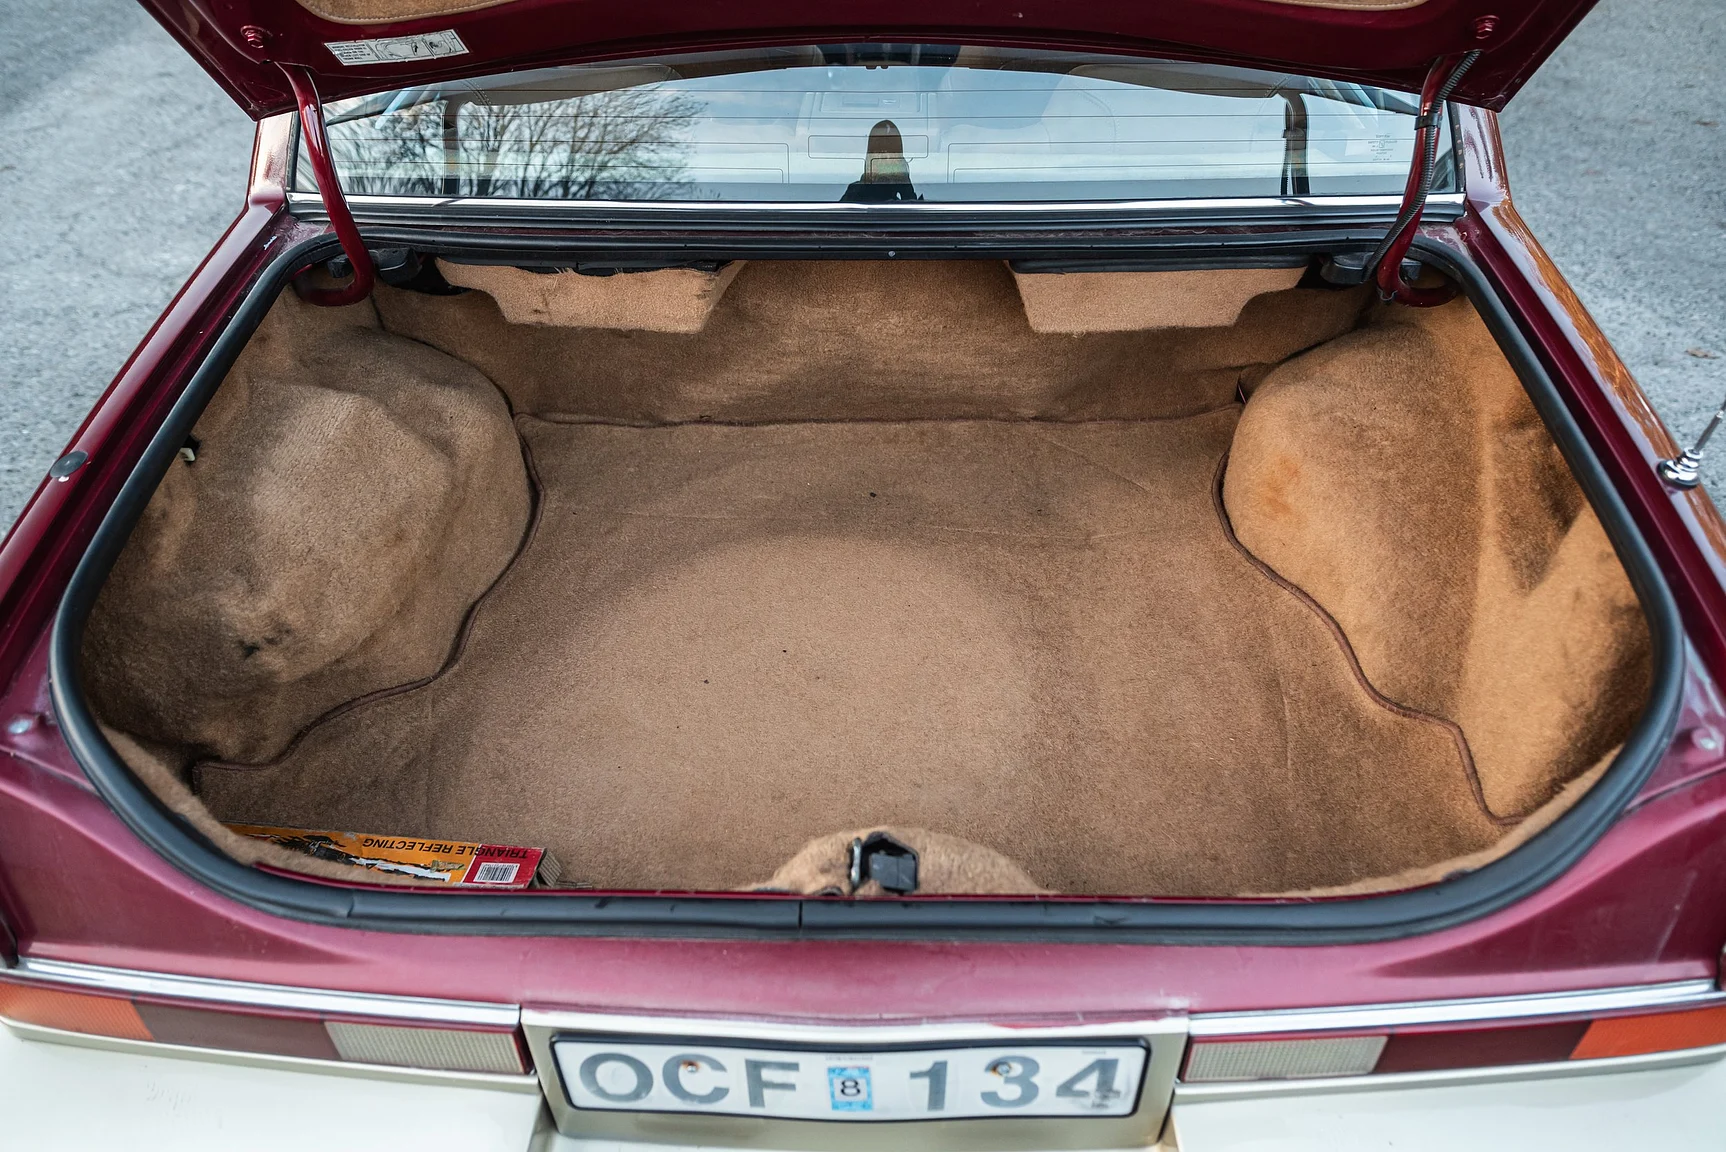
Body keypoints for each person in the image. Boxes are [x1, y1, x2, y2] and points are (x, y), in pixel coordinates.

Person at [840, 120, 922, 202]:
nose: (885, 159)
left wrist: (905, 186)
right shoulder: (854, 192)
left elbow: (912, 206)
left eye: (892, 155)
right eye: (879, 152)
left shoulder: (904, 206)